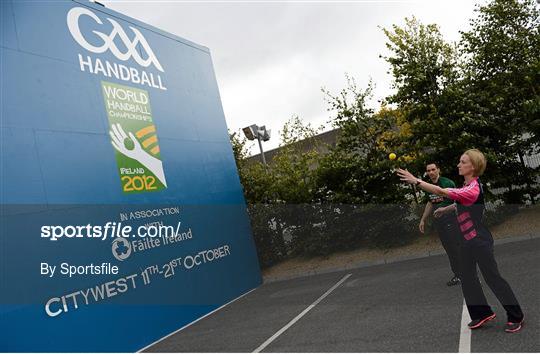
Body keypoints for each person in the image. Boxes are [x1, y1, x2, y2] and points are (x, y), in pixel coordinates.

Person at [397, 149, 524, 333]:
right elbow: (460, 203)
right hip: (465, 241)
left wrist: (416, 181)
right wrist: (445, 210)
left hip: (479, 240)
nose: (458, 165)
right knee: (467, 277)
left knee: (493, 278)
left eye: (463, 162)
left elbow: (441, 191)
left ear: (473, 166)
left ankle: (516, 316)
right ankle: (482, 313)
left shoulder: (472, 188)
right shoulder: (467, 185)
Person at [419, 163, 461, 286]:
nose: (431, 172)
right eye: (428, 170)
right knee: (449, 249)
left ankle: (468, 274)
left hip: (450, 219)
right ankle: (458, 275)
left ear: (438, 170)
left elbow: (458, 202)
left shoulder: (447, 183)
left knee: (456, 247)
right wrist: (423, 219)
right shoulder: (429, 186)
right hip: (439, 221)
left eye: (433, 169)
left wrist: (444, 210)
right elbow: (430, 202)